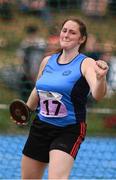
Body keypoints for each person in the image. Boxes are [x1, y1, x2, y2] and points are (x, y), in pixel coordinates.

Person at [15, 17, 109, 179]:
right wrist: (25, 111)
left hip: (69, 129)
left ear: (82, 39)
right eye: (64, 30)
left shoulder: (86, 63)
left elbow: (98, 94)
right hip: (41, 126)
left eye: (72, 32)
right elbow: (38, 89)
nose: (66, 35)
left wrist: (101, 78)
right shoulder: (47, 61)